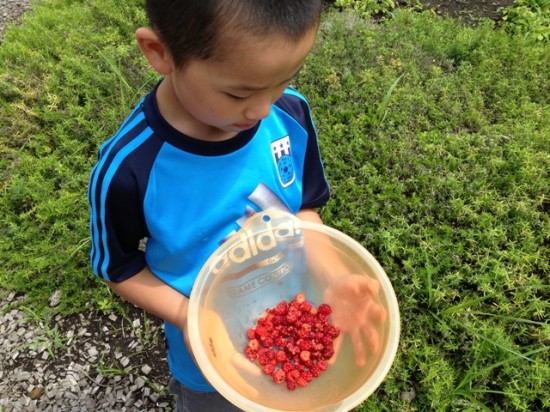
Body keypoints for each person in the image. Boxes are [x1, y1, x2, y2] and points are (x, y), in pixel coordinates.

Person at [88, 1, 385, 410]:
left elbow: (302, 209)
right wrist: (191, 317)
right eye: (237, 93)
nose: (263, 109)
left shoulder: (289, 114)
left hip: (292, 309)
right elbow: (118, 269)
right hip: (211, 351)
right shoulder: (130, 170)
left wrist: (333, 276)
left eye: (283, 80)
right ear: (161, 53)